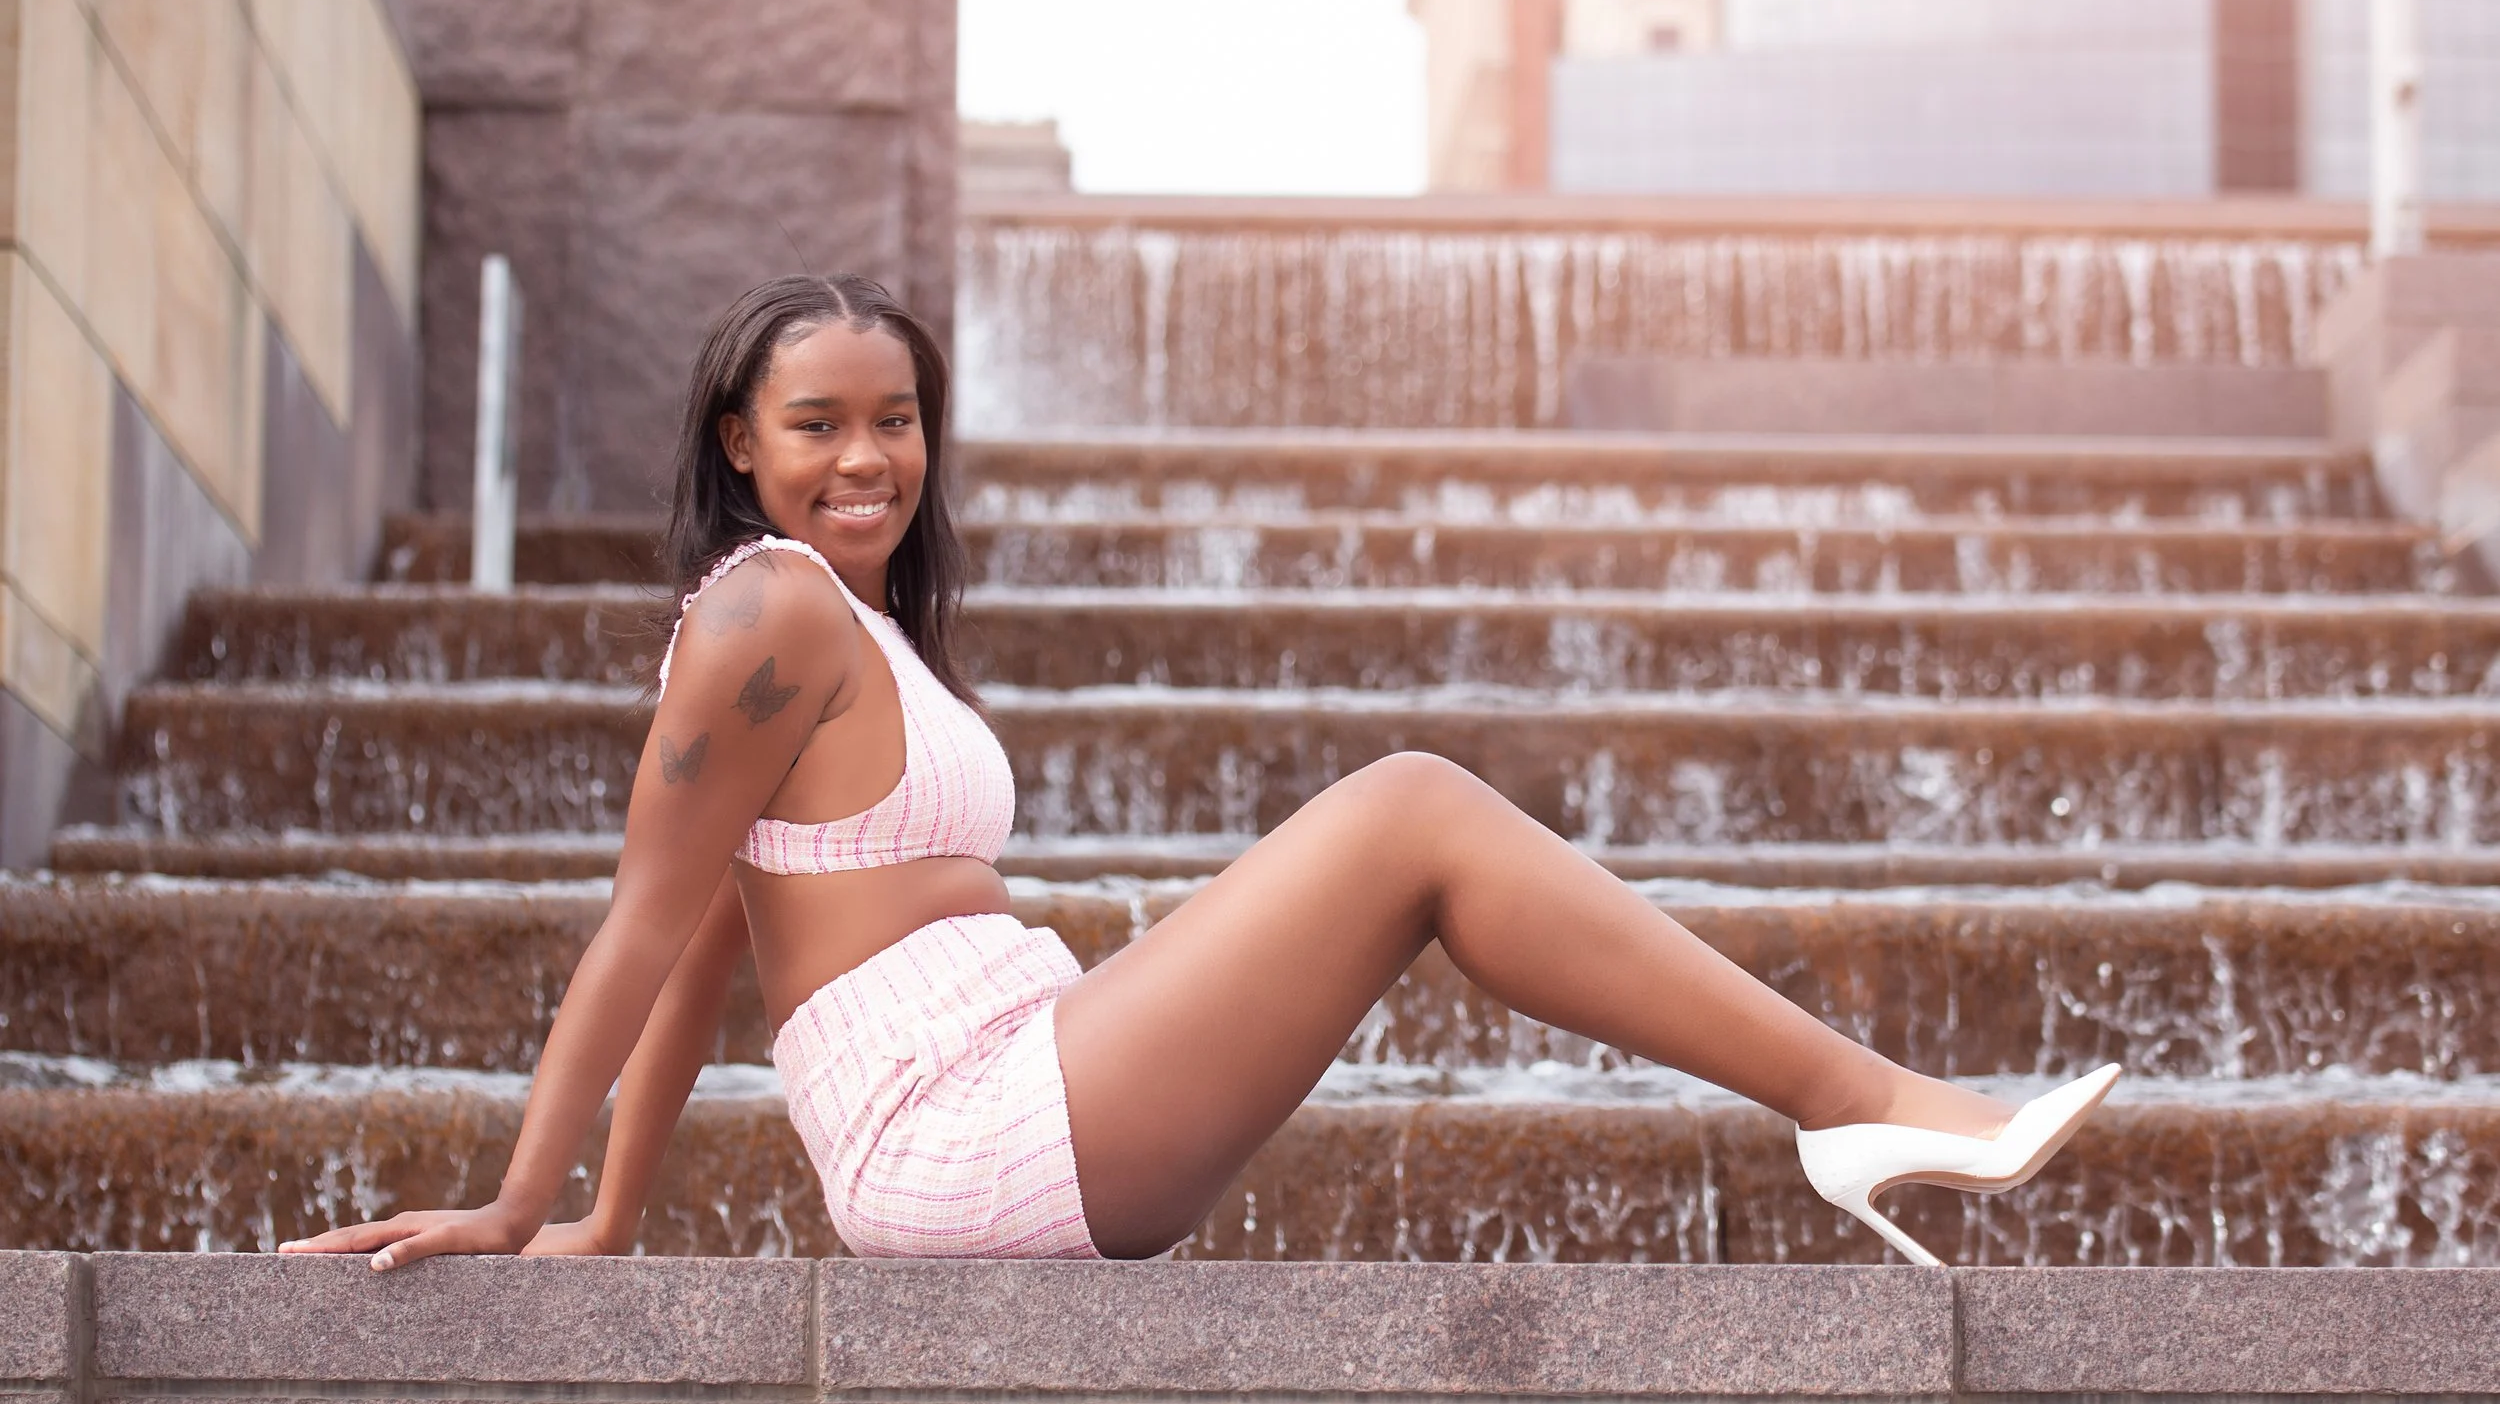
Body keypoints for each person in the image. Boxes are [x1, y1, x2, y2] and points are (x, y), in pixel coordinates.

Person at [281, 273, 2116, 1272]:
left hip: (1010, 1074)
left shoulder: (854, 625)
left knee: (1408, 817)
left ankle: (1857, 1105)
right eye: (818, 425)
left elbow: (712, 947)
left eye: (897, 418)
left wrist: (619, 1214)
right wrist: (533, 1200)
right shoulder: (763, 609)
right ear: (739, 449)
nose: (869, 457)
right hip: (958, 1124)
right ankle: (1860, 1102)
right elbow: (645, 931)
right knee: (1408, 808)